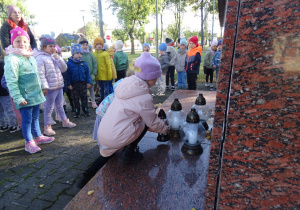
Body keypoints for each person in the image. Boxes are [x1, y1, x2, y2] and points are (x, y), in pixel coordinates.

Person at [77, 52, 169, 189]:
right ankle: (129, 152)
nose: (156, 80)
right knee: (144, 122)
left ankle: (86, 176)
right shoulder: (143, 97)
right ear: (150, 77)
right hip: (116, 137)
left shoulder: (126, 85)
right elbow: (153, 122)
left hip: (104, 133)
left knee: (106, 155)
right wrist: (166, 129)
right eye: (155, 77)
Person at [4, 27, 54, 153]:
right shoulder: (12, 59)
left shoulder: (30, 56)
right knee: (26, 120)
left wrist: (42, 87)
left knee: (35, 117)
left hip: (35, 94)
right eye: (18, 41)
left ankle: (37, 136)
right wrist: (18, 97)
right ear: (12, 43)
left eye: (24, 41)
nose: (22, 44)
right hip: (24, 96)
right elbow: (11, 81)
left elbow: (37, 75)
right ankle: (28, 142)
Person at [34, 35, 76, 136]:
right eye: (50, 46)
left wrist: (59, 58)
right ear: (44, 47)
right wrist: (45, 87)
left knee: (60, 105)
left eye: (54, 46)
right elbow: (40, 74)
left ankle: (64, 121)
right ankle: (47, 126)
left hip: (58, 86)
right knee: (48, 108)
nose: (53, 48)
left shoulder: (54, 57)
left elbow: (64, 69)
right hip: (49, 88)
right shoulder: (40, 58)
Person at [92, 79, 123, 143]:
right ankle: (104, 144)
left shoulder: (114, 94)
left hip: (101, 112)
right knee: (105, 132)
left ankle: (102, 142)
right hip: (104, 116)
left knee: (101, 131)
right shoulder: (119, 97)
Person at [67, 44, 92, 118]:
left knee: (84, 97)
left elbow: (87, 73)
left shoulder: (83, 63)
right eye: (77, 53)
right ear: (73, 54)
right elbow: (67, 75)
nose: (79, 55)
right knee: (75, 98)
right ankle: (77, 110)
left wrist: (88, 82)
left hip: (83, 83)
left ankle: (85, 109)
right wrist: (69, 84)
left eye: (80, 53)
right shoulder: (69, 64)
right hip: (74, 84)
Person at [78, 36, 98, 109]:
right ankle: (84, 103)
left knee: (91, 89)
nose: (85, 46)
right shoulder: (79, 55)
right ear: (80, 46)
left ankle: (93, 102)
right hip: (83, 77)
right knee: (84, 91)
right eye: (83, 45)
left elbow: (95, 64)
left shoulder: (90, 55)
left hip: (90, 76)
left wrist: (93, 74)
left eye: (86, 45)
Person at [0, 58, 19, 133]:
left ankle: (3, 125)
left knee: (2, 111)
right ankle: (12, 126)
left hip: (3, 91)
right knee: (9, 109)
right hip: (4, 92)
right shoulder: (4, 65)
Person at [93, 37, 112, 102]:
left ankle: (106, 99)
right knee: (100, 88)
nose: (99, 45)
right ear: (95, 46)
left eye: (100, 44)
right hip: (98, 76)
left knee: (106, 88)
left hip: (105, 76)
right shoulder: (94, 54)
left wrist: (109, 75)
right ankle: (102, 98)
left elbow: (108, 65)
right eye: (97, 44)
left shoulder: (105, 54)